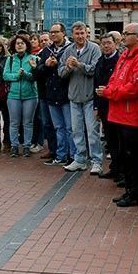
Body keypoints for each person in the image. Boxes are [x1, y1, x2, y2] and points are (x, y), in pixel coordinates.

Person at [97, 23, 138, 208]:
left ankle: (136, 193)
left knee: (134, 157)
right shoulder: (125, 55)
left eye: (126, 33)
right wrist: (111, 89)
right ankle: (130, 190)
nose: (123, 36)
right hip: (120, 114)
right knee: (126, 156)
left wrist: (109, 92)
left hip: (133, 116)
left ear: (137, 37)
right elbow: (115, 78)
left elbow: (134, 89)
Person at [59, 21, 102, 173]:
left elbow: (95, 70)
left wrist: (79, 65)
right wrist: (68, 67)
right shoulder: (68, 50)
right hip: (74, 97)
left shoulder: (95, 49)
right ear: (72, 34)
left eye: (82, 33)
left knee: (92, 131)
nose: (80, 36)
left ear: (86, 33)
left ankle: (97, 161)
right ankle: (80, 159)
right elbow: (61, 73)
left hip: (90, 96)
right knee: (76, 131)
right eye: (77, 33)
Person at [36, 23, 75, 166]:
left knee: (70, 127)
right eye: (51, 32)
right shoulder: (46, 50)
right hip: (50, 94)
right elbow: (38, 71)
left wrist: (59, 64)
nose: (53, 35)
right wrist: (46, 65)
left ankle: (72, 156)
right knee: (58, 127)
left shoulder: (70, 49)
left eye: (56, 32)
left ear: (63, 33)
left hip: (66, 94)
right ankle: (60, 155)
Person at [3, 33, 38, 157]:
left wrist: (26, 75)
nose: (19, 45)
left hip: (30, 95)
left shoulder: (33, 58)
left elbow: (35, 76)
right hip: (13, 95)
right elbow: (5, 75)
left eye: (22, 43)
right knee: (14, 122)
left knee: (28, 122)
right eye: (17, 43)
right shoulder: (10, 59)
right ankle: (14, 146)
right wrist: (17, 76)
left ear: (26, 45)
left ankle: (27, 146)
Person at [94, 33, 121, 179]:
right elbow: (95, 83)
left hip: (115, 104)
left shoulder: (119, 60)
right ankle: (114, 168)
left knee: (118, 139)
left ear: (115, 44)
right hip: (103, 105)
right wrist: (96, 107)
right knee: (110, 139)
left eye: (109, 43)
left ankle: (120, 169)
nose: (106, 46)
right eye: (103, 43)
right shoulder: (100, 61)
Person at [34, 31, 57, 160]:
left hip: (56, 94)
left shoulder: (56, 51)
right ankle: (52, 149)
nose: (44, 42)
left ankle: (60, 151)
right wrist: (45, 65)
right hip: (43, 93)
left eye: (46, 40)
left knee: (58, 124)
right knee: (46, 123)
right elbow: (37, 73)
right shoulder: (41, 54)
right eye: (41, 40)